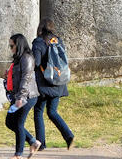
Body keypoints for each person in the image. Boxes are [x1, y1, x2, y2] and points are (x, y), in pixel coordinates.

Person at [31, 18, 74, 150]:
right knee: (52, 111)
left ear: (40, 28)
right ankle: (69, 136)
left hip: (44, 84)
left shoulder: (38, 42)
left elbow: (36, 63)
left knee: (38, 111)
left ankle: (41, 144)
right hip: (58, 81)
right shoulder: (58, 41)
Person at [4, 33, 41, 159]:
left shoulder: (27, 58)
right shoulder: (18, 58)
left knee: (19, 123)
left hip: (27, 96)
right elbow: (18, 77)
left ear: (18, 45)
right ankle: (33, 142)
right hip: (18, 96)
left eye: (12, 46)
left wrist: (20, 98)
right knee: (9, 122)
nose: (11, 48)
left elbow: (26, 78)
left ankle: (18, 154)